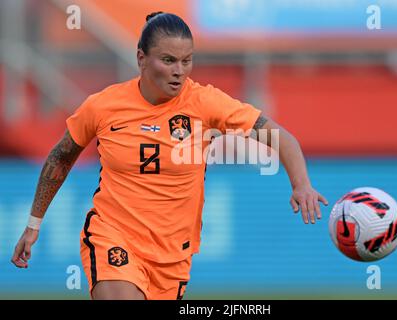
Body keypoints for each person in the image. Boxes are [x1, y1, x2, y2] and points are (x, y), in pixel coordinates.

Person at [11, 12, 328, 300]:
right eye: (168, 60)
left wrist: (301, 184)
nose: (179, 72)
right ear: (141, 58)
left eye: (186, 61)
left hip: (173, 256)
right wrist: (34, 223)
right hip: (113, 234)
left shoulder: (205, 103)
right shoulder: (103, 106)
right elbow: (61, 157)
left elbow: (282, 138)